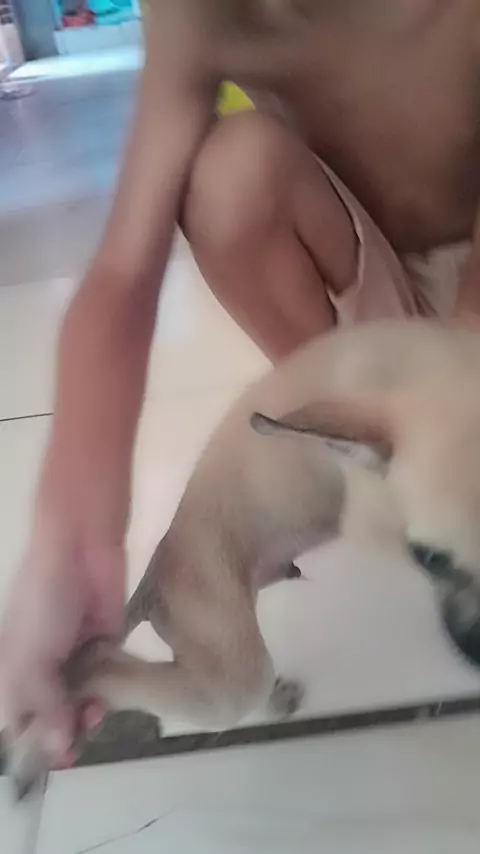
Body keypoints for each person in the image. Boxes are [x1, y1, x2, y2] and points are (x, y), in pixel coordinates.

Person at [2, 0, 480, 769]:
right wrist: (70, 538)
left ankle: (400, 459)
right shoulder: (199, 11)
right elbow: (124, 268)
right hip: (375, 305)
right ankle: (357, 442)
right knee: (232, 171)